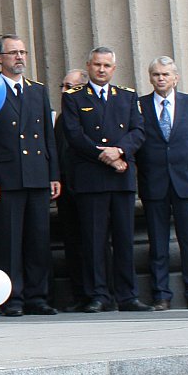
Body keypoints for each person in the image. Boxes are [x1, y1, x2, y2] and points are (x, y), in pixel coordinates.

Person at [0, 35, 61, 316]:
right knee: (10, 242)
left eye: (23, 52)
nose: (19, 57)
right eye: (13, 53)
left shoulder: (37, 91)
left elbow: (48, 136)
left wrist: (53, 174)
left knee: (38, 239)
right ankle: (13, 298)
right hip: (7, 176)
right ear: (0, 58)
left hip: (36, 174)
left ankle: (38, 296)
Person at [61, 47, 151, 313]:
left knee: (124, 239)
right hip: (92, 178)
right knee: (94, 240)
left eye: (107, 66)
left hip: (121, 177)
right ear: (88, 66)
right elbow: (74, 135)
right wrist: (106, 156)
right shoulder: (74, 97)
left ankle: (128, 295)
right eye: (97, 65)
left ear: (114, 68)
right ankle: (98, 294)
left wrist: (120, 151)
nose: (102, 70)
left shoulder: (126, 95)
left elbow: (138, 130)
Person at [135, 57, 188, 310]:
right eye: (156, 74)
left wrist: (187, 166)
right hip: (154, 181)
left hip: (185, 181)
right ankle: (161, 295)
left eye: (166, 74)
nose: (161, 78)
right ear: (150, 78)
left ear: (175, 78)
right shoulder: (140, 105)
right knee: (157, 242)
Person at [54, 68, 90, 310]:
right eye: (63, 86)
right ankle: (79, 295)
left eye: (71, 87)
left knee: (91, 243)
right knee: (72, 244)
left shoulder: (90, 113)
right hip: (65, 190)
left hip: (88, 187)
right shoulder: (59, 118)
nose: (65, 91)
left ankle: (96, 293)